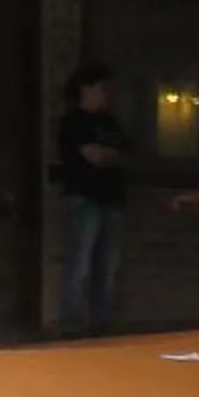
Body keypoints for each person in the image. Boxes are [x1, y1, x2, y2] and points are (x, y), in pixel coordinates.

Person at [55, 62, 130, 336]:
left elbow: (126, 153)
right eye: (102, 87)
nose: (107, 93)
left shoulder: (111, 122)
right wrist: (108, 155)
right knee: (80, 264)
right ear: (86, 88)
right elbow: (94, 156)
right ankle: (71, 326)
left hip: (112, 200)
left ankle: (101, 325)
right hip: (84, 199)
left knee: (108, 267)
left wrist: (106, 155)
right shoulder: (74, 121)